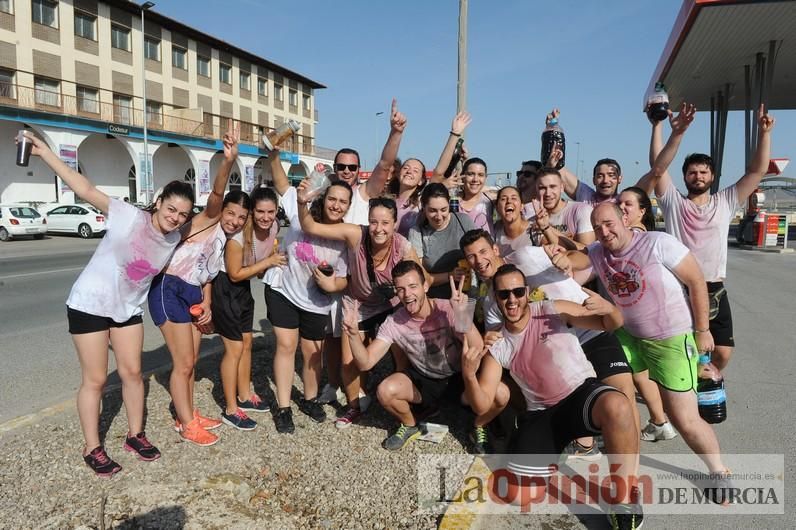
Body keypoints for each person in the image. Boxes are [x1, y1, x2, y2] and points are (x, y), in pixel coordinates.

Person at [19, 131, 194, 477]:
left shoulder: (175, 237)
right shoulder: (129, 216)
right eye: (171, 208)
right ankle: (92, 447)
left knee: (133, 373)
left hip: (127, 309)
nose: (175, 217)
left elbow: (217, 212)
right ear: (159, 202)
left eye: (183, 214)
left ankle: (135, 435)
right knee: (96, 379)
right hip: (89, 303)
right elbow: (84, 188)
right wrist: (45, 154)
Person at [561, 203, 734, 497]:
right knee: (623, 402)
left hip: (670, 338)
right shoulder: (599, 253)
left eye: (609, 223)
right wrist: (554, 263)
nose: (604, 231)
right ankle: (629, 481)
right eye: (598, 226)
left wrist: (702, 329)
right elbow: (574, 267)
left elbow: (695, 281)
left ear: (624, 219)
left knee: (685, 419)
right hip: (628, 336)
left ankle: (719, 471)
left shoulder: (657, 243)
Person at [464, 264, 641, 528]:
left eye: (517, 291)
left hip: (580, 393)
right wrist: (468, 373)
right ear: (494, 298)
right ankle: (548, 456)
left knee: (618, 405)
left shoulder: (551, 309)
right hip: (541, 415)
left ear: (527, 292)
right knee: (519, 496)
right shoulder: (497, 343)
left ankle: (624, 497)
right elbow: (481, 405)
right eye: (503, 294)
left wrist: (610, 310)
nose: (512, 300)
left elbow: (608, 323)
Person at [460, 229, 637, 460]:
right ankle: (579, 444)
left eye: (482, 251)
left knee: (621, 398)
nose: (478, 260)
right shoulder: (492, 303)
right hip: (553, 357)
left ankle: (628, 479)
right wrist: (461, 312)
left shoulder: (525, 258)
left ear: (495, 249)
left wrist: (567, 259)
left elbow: (580, 257)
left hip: (587, 329)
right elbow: (499, 343)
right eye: (471, 256)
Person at [648, 102, 775, 370]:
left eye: (703, 172)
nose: (698, 176)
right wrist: (658, 127)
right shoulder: (672, 202)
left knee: (723, 353)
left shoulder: (726, 201)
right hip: (679, 287)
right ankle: (687, 392)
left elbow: (757, 171)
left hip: (714, 289)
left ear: (713, 176)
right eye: (692, 172)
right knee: (684, 350)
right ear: (684, 176)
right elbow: (657, 168)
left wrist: (764, 135)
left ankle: (706, 382)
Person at [146, 121, 239, 446]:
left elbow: (208, 276)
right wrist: (227, 160)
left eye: (240, 218)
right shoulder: (195, 223)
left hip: (191, 294)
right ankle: (186, 423)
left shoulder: (217, 238)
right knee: (183, 363)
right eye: (230, 214)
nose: (233, 221)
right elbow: (217, 192)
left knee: (191, 363)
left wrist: (206, 302)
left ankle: (187, 413)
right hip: (167, 289)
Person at [296, 192, 424, 429]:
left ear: (394, 223)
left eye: (385, 223)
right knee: (349, 362)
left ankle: (404, 399)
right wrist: (302, 202)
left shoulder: (403, 247)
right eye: (374, 222)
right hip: (358, 305)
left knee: (401, 354)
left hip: (391, 305)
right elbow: (309, 225)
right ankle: (355, 406)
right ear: (367, 220)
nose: (378, 228)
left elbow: (420, 280)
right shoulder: (356, 234)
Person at [342, 261, 484, 451]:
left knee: (492, 393)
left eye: (413, 286)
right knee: (386, 390)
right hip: (425, 380)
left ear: (425, 286)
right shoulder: (394, 322)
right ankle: (410, 424)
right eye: (400, 289)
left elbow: (477, 347)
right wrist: (352, 335)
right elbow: (366, 363)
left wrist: (462, 315)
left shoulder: (447, 308)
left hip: (459, 377)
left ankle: (481, 425)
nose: (407, 295)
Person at [264, 148, 350, 433]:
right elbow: (280, 182)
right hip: (284, 290)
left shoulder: (346, 237)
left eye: (343, 202)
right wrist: (274, 154)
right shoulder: (302, 210)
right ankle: (284, 406)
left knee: (312, 351)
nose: (336, 206)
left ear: (349, 207)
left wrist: (332, 284)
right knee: (286, 346)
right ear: (324, 197)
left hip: (316, 300)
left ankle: (310, 399)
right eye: (333, 199)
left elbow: (348, 278)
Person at [212, 187, 286, 432]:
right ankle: (231, 409)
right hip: (227, 289)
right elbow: (233, 274)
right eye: (260, 212)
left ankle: (244, 395)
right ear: (252, 213)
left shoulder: (273, 228)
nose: (266, 217)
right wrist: (268, 262)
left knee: (246, 343)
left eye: (271, 212)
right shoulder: (237, 239)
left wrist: (269, 261)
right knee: (233, 349)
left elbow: (259, 264)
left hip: (244, 290)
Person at [615, 186, 676, 441]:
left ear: (642, 211)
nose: (622, 208)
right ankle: (660, 421)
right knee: (638, 371)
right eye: (620, 203)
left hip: (632, 318)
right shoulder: (635, 235)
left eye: (628, 204)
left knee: (628, 375)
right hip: (631, 318)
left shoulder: (636, 237)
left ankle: (624, 434)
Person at [332, 99, 406, 225]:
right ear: (334, 168)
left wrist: (396, 132)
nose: (346, 171)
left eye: (352, 167)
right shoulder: (323, 194)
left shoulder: (364, 192)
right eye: (341, 166)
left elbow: (384, 165)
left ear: (358, 169)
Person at [407, 183, 475, 299]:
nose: (439, 216)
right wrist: (450, 275)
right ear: (423, 207)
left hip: (467, 296)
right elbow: (419, 276)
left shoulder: (464, 222)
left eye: (444, 210)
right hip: (434, 299)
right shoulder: (417, 232)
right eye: (432, 210)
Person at [456, 157, 495, 235]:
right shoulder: (452, 201)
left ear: (485, 177)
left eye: (480, 175)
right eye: (471, 174)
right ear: (462, 176)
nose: (475, 179)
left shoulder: (490, 200)